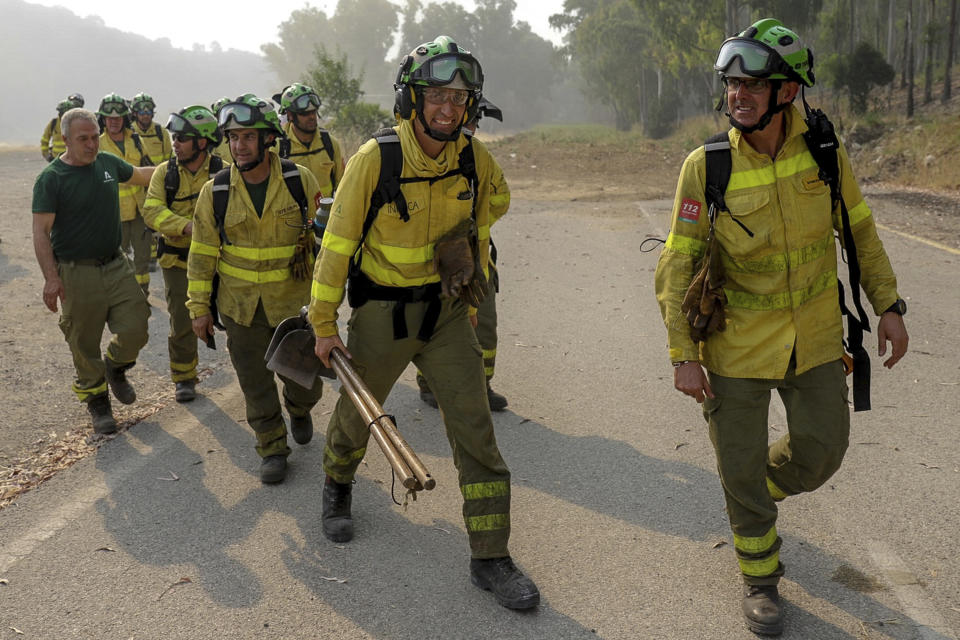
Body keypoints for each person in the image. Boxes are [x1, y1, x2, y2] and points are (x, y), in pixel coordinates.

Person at [654, 19, 909, 636]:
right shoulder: (706, 166)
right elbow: (676, 263)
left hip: (816, 340)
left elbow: (861, 233)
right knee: (740, 472)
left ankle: (749, 489)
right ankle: (761, 581)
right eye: (731, 84)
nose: (737, 94)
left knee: (822, 453)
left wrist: (890, 305)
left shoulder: (824, 151)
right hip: (734, 349)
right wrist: (682, 354)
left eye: (753, 84)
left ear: (788, 92)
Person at [308, 35, 539, 610]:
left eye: (459, 99)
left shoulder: (474, 159)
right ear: (412, 99)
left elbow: (491, 214)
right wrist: (322, 322)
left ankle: (491, 556)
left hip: (447, 316)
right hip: (381, 315)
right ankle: (337, 487)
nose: (447, 108)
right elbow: (335, 246)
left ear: (471, 107)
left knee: (476, 432)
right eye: (436, 95)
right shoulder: (375, 159)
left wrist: (468, 265)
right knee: (357, 414)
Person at [186, 94, 325, 484]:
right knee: (254, 382)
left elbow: (325, 245)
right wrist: (198, 307)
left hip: (294, 308)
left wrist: (326, 301)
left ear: (267, 139)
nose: (239, 145)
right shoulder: (215, 191)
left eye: (248, 136)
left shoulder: (300, 182)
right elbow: (201, 253)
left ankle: (298, 410)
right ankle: (272, 446)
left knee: (304, 383)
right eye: (232, 137)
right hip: (240, 308)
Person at [31, 107, 155, 434]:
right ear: (65, 139)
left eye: (94, 137)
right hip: (76, 273)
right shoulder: (51, 179)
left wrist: (182, 166)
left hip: (115, 264)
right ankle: (98, 403)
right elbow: (40, 232)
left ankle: (115, 367)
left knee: (137, 325)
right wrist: (51, 278)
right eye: (82, 139)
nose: (91, 145)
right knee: (83, 343)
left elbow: (142, 175)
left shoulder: (108, 163)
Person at [417, 96, 509, 411]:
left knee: (483, 320)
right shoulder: (420, 154)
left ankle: (481, 385)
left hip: (473, 252)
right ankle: (429, 384)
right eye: (469, 121)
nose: (470, 128)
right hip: (430, 255)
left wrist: (473, 226)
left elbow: (500, 197)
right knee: (433, 320)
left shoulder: (476, 156)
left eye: (473, 122)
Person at [142, 105, 223, 403]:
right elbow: (151, 211)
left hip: (219, 262)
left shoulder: (223, 172)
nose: (174, 143)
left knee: (236, 317)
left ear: (202, 142)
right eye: (174, 137)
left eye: (182, 138)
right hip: (177, 262)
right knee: (181, 322)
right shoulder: (165, 173)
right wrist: (185, 226)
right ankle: (184, 378)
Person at [97, 93, 153, 295]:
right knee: (115, 256)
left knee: (143, 256)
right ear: (103, 119)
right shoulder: (98, 143)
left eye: (118, 118)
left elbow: (148, 168)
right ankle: (119, 295)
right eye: (109, 118)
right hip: (113, 212)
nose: (113, 122)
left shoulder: (136, 140)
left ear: (124, 119)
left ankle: (142, 294)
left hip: (139, 209)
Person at [272, 82, 345, 197]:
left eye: (313, 112)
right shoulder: (277, 147)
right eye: (305, 113)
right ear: (290, 115)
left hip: (326, 213)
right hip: (294, 214)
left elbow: (342, 185)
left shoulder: (330, 143)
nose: (311, 117)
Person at [39, 95, 83, 163]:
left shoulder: (75, 124)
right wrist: (47, 156)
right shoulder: (54, 123)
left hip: (72, 159)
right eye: (61, 112)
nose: (61, 115)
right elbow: (44, 140)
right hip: (55, 159)